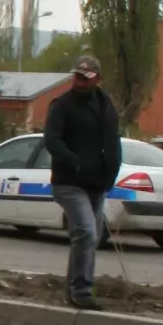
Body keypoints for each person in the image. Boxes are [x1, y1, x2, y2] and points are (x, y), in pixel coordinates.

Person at [42, 54, 122, 311]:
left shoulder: (106, 104)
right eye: (76, 76)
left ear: (97, 78)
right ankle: (82, 290)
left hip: (97, 182)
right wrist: (75, 161)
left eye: (85, 77)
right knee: (86, 232)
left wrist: (112, 170)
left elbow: (112, 140)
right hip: (69, 181)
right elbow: (51, 140)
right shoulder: (62, 105)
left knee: (90, 237)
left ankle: (72, 288)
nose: (79, 81)